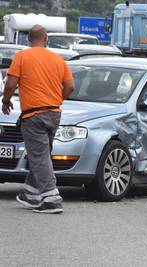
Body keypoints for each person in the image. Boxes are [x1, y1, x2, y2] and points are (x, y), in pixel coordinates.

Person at [1, 25, 75, 214]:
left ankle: (51, 199)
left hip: (33, 115)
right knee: (42, 153)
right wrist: (58, 99)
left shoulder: (22, 57)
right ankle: (31, 193)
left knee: (39, 155)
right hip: (54, 113)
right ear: (46, 38)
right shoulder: (58, 60)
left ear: (28, 39)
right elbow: (70, 86)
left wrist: (6, 100)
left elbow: (10, 84)